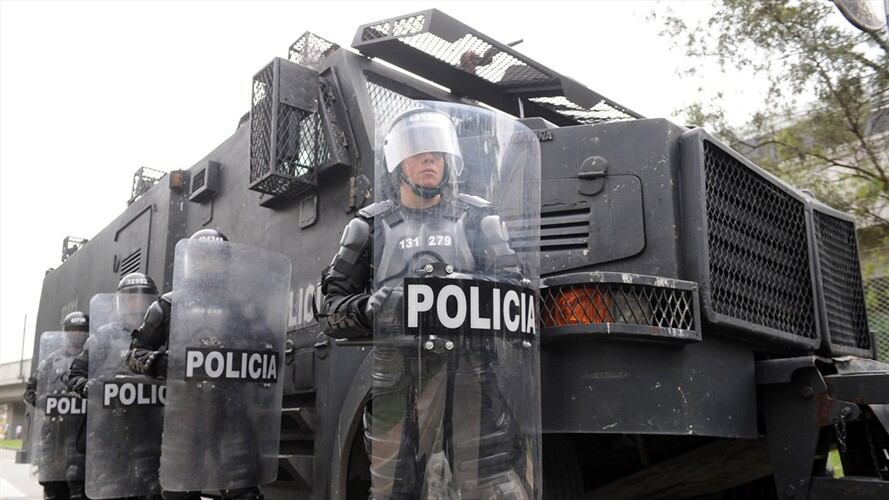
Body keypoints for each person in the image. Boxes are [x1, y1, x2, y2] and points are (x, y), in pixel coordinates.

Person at [318, 108, 531, 499]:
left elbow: (516, 293)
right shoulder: (368, 227)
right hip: (395, 380)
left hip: (470, 374)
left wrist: (467, 289)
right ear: (399, 164)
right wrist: (370, 308)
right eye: (418, 152)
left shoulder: (478, 220)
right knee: (391, 490)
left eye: (437, 153)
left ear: (450, 161)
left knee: (489, 485)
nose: (429, 159)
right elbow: (330, 311)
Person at [127, 229, 264, 500]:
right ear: (192, 260)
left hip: (232, 413)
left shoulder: (243, 307)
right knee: (179, 493)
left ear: (225, 261)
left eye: (215, 257)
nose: (209, 263)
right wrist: (159, 362)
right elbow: (134, 354)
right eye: (203, 256)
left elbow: (269, 354)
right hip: (184, 417)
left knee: (243, 492)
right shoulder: (167, 306)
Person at [65, 273, 161, 500]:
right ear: (120, 302)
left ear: (152, 302)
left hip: (154, 434)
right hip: (111, 434)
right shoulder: (104, 337)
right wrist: (89, 387)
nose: (136, 305)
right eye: (130, 299)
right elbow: (73, 375)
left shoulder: (165, 334)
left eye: (142, 299)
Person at [24, 312, 90, 500]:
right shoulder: (50, 362)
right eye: (73, 329)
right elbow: (30, 392)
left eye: (82, 329)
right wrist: (48, 402)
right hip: (54, 435)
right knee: (53, 487)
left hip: (83, 434)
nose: (77, 333)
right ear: (65, 332)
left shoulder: (95, 359)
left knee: (79, 487)